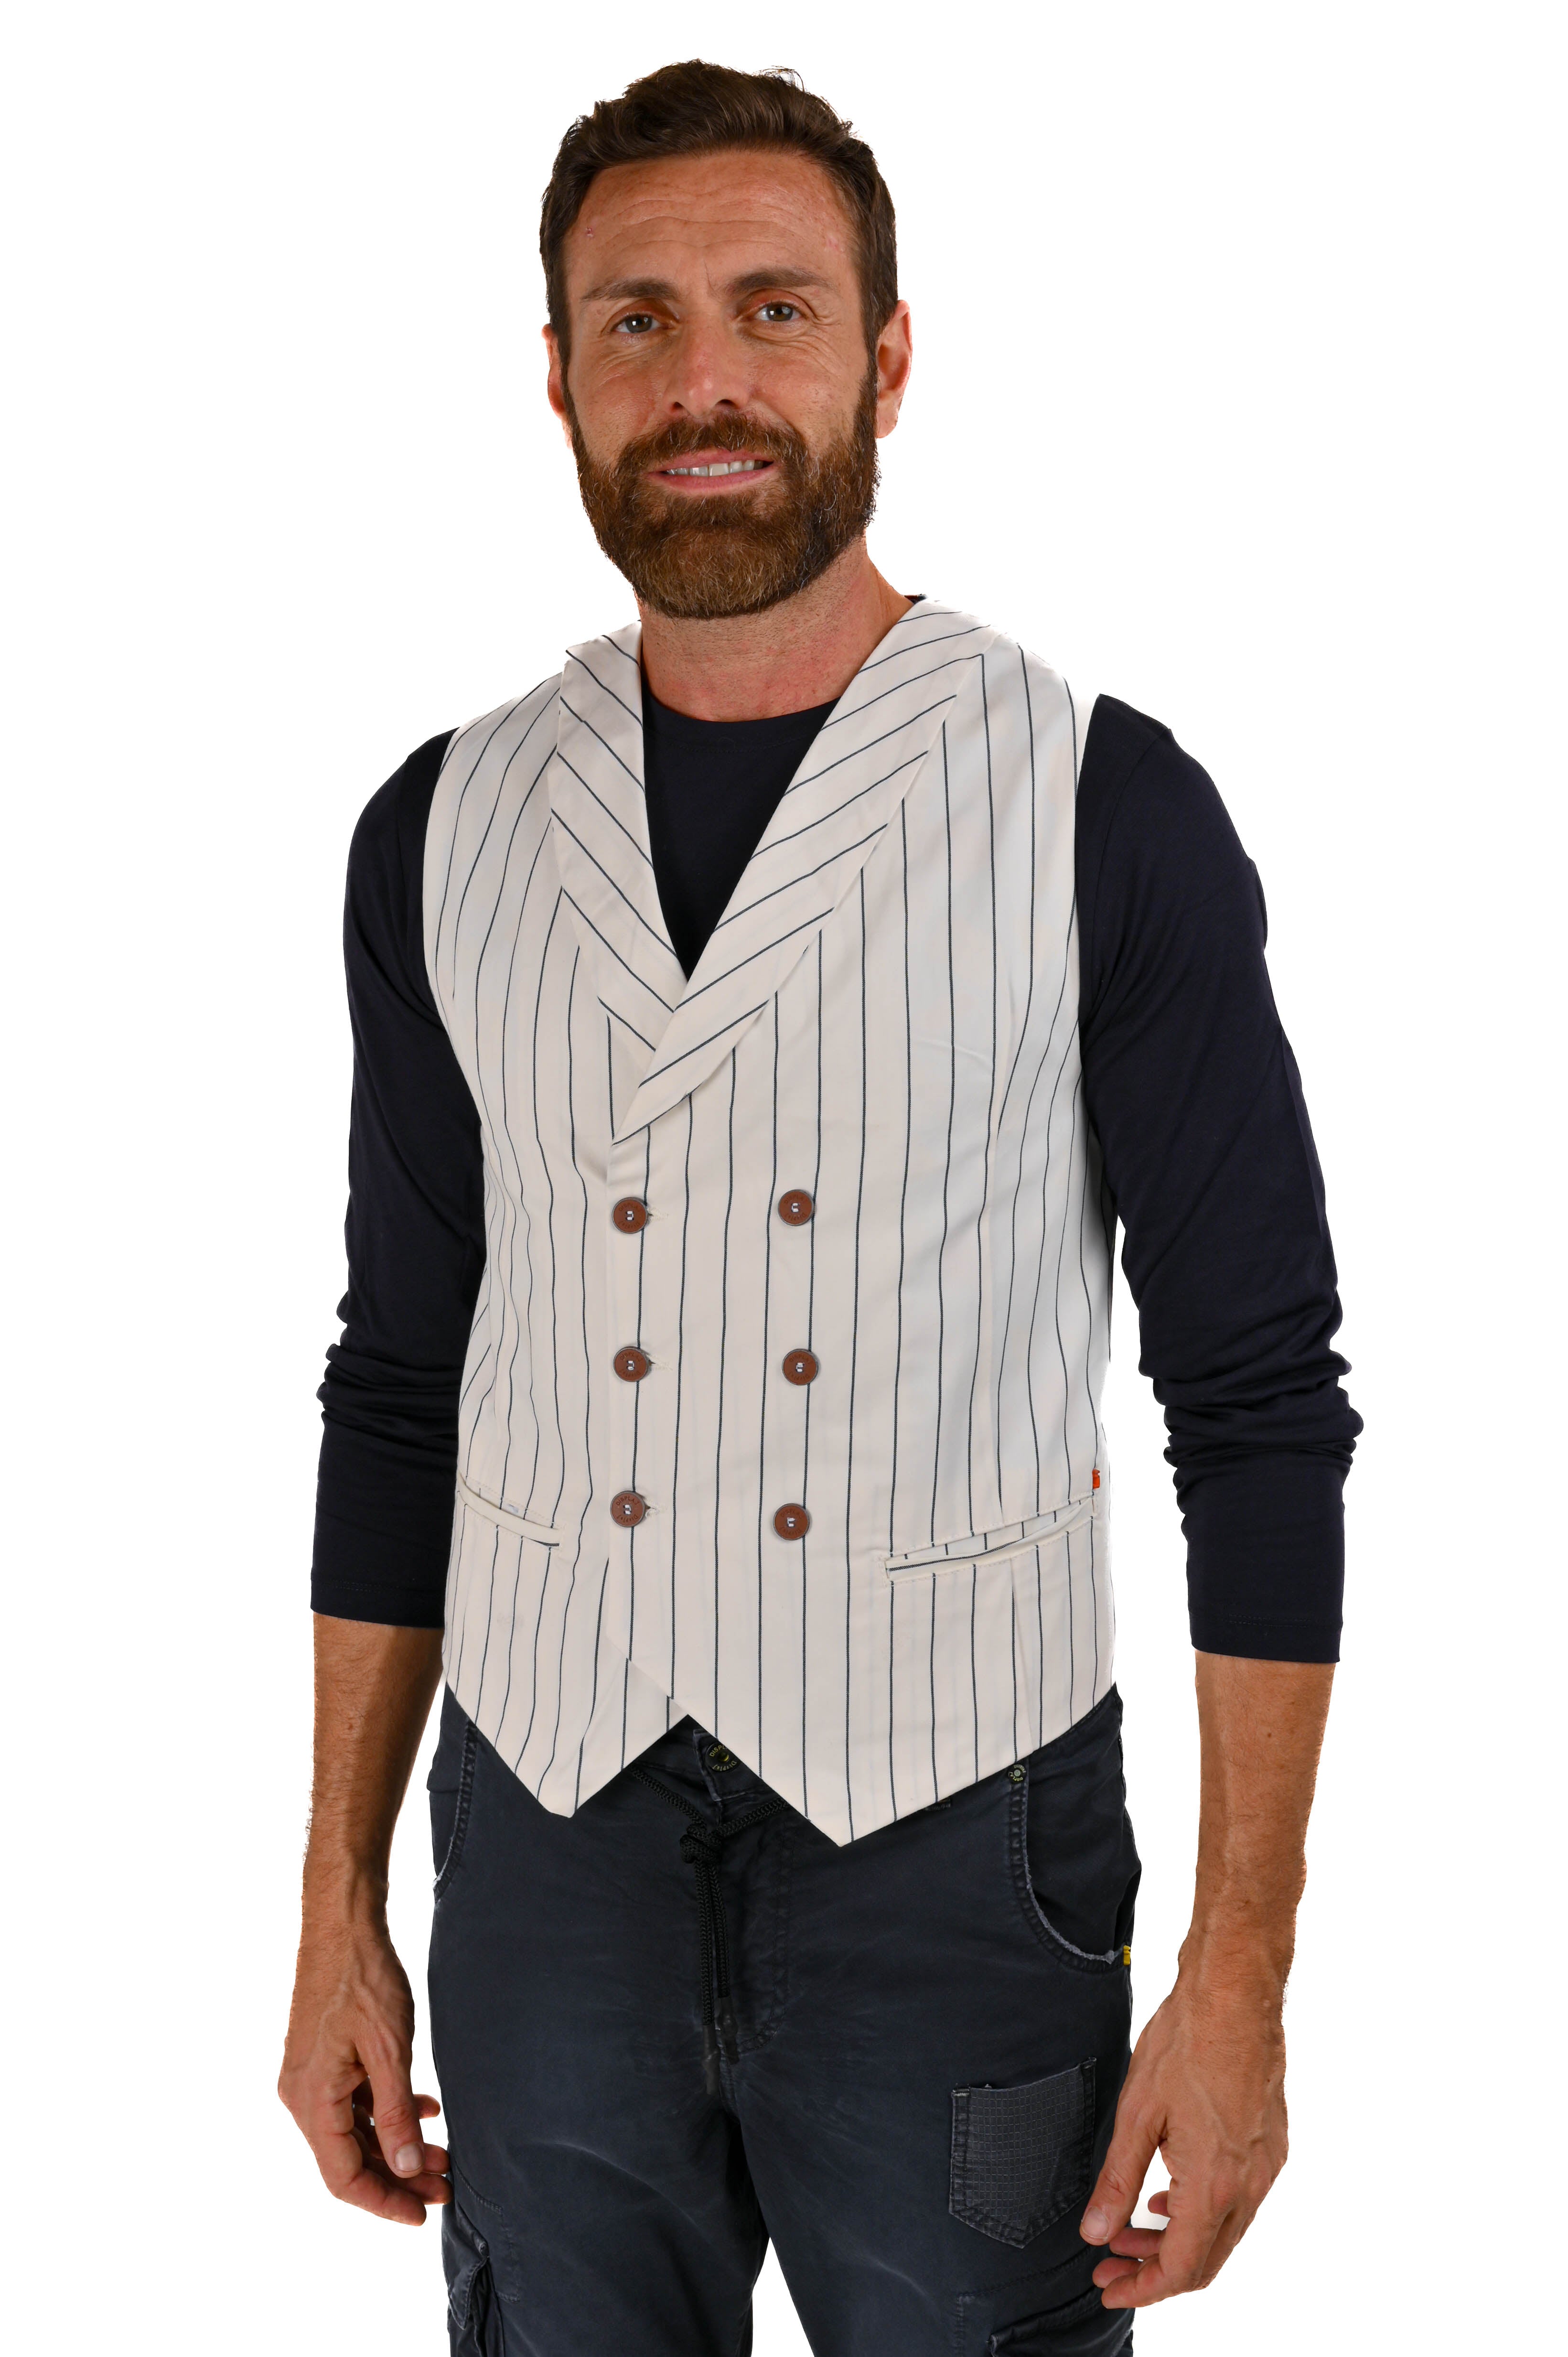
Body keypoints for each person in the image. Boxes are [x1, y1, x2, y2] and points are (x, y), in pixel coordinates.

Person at [279, 59, 1360, 2357]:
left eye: (771, 311)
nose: (703, 382)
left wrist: (1237, 1975)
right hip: (544, 1844)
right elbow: (398, 1382)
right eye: (637, 320)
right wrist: (334, 1906)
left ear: (884, 358)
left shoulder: (1095, 803)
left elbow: (1259, 1405)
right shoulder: (440, 826)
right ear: (558, 376)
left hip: (956, 1848)